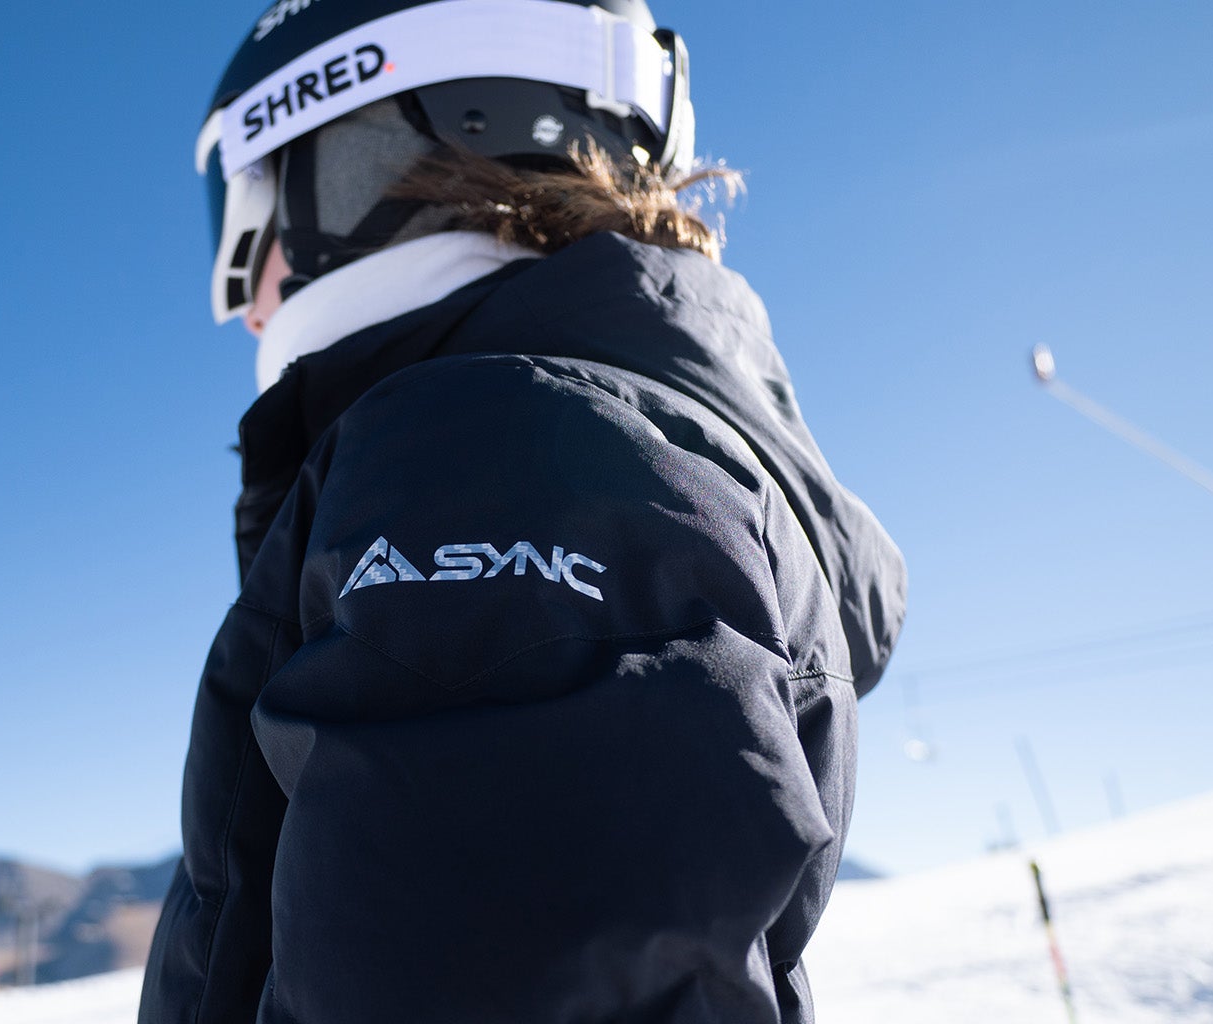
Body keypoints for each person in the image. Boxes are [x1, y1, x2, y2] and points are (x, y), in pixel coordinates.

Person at [140, 1, 906, 1021]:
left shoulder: (495, 452)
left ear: (366, 151)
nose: (245, 302)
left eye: (246, 220)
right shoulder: (607, 450)